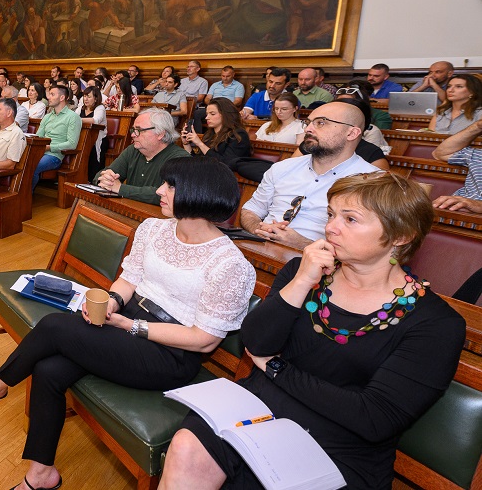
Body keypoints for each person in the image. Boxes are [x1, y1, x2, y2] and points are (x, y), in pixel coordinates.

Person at [0, 157, 256, 490]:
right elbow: (130, 279)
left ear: (198, 193)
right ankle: (42, 475)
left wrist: (129, 326)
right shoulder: (154, 228)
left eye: (170, 186)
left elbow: (203, 339)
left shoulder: (230, 264)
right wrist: (113, 301)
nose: (158, 191)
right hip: (128, 320)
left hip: (170, 352)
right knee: (49, 370)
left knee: (54, 327)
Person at [164, 173, 465, 490]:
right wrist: (302, 282)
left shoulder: (435, 324)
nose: (331, 227)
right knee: (188, 446)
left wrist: (277, 368)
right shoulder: (301, 272)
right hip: (258, 408)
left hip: (338, 444)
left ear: (401, 235)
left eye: (350, 219)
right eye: (331, 214)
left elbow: (374, 418)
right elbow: (254, 344)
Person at [239, 101, 381, 248]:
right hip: (259, 249)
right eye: (308, 123)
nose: (308, 129)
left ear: (351, 133)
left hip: (319, 260)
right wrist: (259, 229)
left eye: (321, 123)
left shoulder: (373, 182)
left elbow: (370, 250)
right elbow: (251, 210)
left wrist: (303, 244)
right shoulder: (282, 168)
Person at [95, 108, 189, 204]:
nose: (133, 135)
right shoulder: (133, 150)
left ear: (160, 134)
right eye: (133, 130)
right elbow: (99, 176)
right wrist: (105, 179)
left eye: (139, 130)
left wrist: (120, 188)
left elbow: (168, 195)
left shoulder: (180, 159)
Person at [33, 85, 83, 190]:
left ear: (62, 97)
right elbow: (38, 137)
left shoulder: (73, 117)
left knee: (32, 165)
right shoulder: (47, 117)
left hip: (54, 156)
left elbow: (71, 144)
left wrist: (49, 147)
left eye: (52, 94)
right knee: (18, 161)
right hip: (40, 152)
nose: (48, 97)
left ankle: (26, 195)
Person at [433, 118, 482, 214]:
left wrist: (478, 205)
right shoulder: (477, 154)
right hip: (453, 211)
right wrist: (478, 126)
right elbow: (440, 154)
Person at [181, 98, 250, 167]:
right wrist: (186, 144)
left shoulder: (238, 134)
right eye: (207, 114)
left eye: (212, 114)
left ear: (225, 115)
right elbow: (198, 161)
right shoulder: (209, 134)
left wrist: (200, 144)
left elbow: (227, 164)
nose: (206, 117)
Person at [77, 86, 107, 180]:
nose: (85, 99)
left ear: (96, 98)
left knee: (92, 151)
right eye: (84, 96)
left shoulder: (100, 108)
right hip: (82, 138)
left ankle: (92, 179)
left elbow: (96, 120)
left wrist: (77, 120)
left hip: (98, 140)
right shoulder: (80, 108)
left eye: (89, 96)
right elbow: (72, 117)